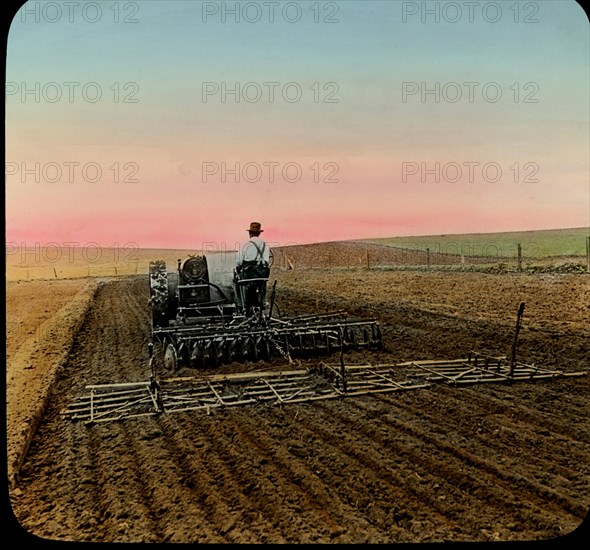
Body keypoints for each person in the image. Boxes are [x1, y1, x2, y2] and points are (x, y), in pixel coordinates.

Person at [235, 222, 270, 316]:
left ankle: (243, 306)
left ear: (250, 233)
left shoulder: (244, 244)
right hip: (262, 274)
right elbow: (266, 261)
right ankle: (262, 302)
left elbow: (239, 261)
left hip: (248, 274)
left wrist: (238, 268)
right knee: (262, 283)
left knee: (237, 281)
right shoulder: (265, 245)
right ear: (259, 233)